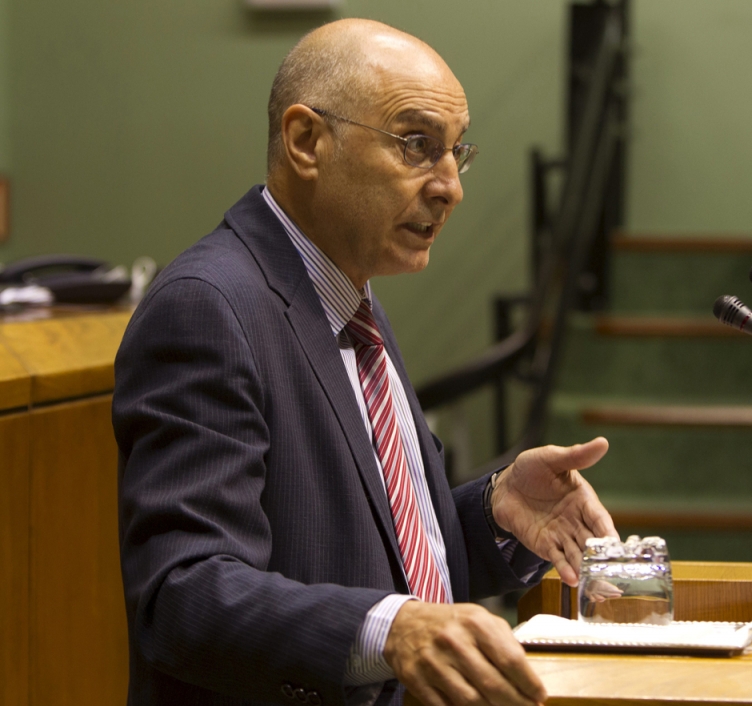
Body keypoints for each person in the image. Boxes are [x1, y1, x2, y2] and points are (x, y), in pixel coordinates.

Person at [113, 18, 617, 706]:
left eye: (455, 153)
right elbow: (184, 594)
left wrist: (495, 511)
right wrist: (393, 631)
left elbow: (382, 556)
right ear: (306, 141)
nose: (450, 187)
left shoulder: (350, 298)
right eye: (417, 145)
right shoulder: (208, 308)